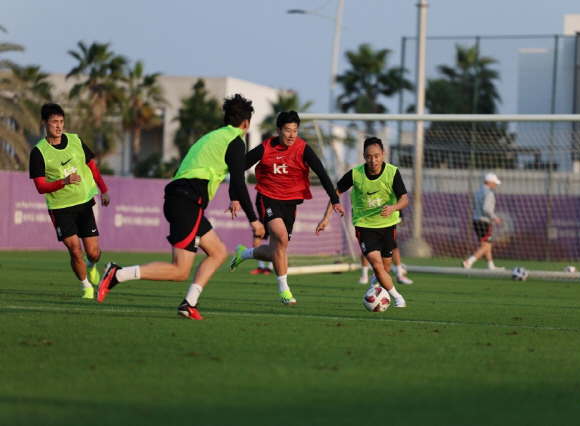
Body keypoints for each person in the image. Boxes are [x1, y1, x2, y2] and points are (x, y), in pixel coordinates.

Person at [97, 94, 265, 320]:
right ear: (246, 123)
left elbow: (235, 168)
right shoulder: (235, 141)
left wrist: (263, 151)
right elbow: (238, 178)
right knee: (179, 270)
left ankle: (189, 303)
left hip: (182, 199)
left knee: (218, 252)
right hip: (188, 201)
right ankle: (118, 274)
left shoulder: (214, 137)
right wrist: (253, 219)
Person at [228, 110, 344, 305]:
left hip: (290, 203)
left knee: (278, 249)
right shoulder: (265, 147)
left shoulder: (303, 148)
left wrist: (335, 200)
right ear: (278, 130)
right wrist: (234, 196)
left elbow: (323, 174)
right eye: (287, 130)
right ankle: (285, 291)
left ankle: (243, 253)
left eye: (295, 130)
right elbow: (238, 168)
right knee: (281, 238)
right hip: (267, 198)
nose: (291, 135)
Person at [29, 102, 110, 299]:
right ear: (44, 123)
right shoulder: (38, 152)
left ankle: (91, 265)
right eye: (54, 121)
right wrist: (63, 181)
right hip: (60, 208)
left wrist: (104, 190)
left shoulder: (75, 140)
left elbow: (91, 165)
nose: (58, 125)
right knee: (75, 250)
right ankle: (86, 288)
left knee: (93, 253)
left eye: (61, 121)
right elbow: (40, 187)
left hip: (83, 204)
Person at [317, 136, 408, 308]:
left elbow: (404, 199)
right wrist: (326, 217)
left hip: (388, 225)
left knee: (384, 270)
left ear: (383, 154)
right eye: (368, 156)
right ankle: (398, 298)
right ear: (364, 156)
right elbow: (335, 193)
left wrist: (393, 207)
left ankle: (376, 279)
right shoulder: (355, 174)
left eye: (376, 156)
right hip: (364, 226)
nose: (373, 160)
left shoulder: (392, 172)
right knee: (377, 264)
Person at [462, 172, 503, 270]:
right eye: (494, 183)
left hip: (476, 220)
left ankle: (491, 265)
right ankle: (469, 262)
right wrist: (494, 217)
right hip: (484, 221)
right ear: (489, 182)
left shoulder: (478, 192)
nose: (495, 185)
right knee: (487, 245)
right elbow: (486, 208)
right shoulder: (489, 193)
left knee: (486, 244)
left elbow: (475, 206)